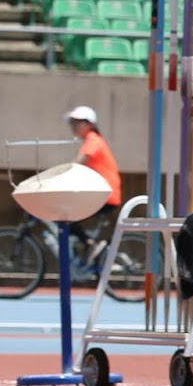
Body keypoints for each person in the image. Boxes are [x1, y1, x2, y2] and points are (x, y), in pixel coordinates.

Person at [66, 106, 122, 275]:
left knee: (65, 216)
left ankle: (89, 244)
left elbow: (77, 164)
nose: (73, 127)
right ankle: (88, 244)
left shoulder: (93, 140)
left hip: (106, 195)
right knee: (68, 216)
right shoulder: (93, 140)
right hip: (104, 194)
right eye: (72, 123)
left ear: (89, 124)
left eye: (77, 123)